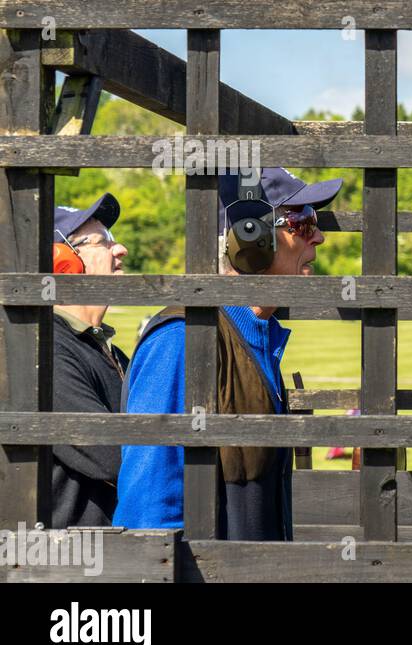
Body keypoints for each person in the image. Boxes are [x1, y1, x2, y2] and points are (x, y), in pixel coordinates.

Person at [114, 168, 339, 540]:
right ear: (252, 238)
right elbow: (149, 511)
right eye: (301, 222)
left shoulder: (253, 336)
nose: (318, 236)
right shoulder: (183, 338)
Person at [50, 193, 130, 527]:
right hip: (64, 567)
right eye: (103, 242)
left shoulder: (108, 351)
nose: (120, 249)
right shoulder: (45, 349)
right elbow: (112, 457)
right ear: (63, 260)